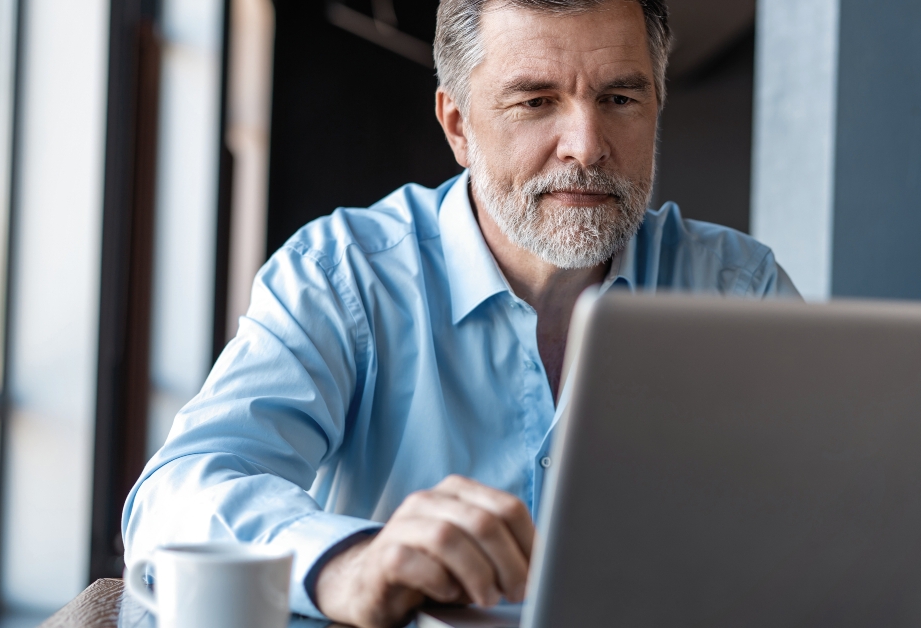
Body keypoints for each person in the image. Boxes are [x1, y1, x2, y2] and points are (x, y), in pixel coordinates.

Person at [122, 0, 799, 626]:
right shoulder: (344, 275)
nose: (587, 144)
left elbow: (830, 519)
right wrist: (350, 562)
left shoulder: (738, 288)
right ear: (458, 126)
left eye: (619, 97)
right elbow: (179, 496)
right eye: (536, 101)